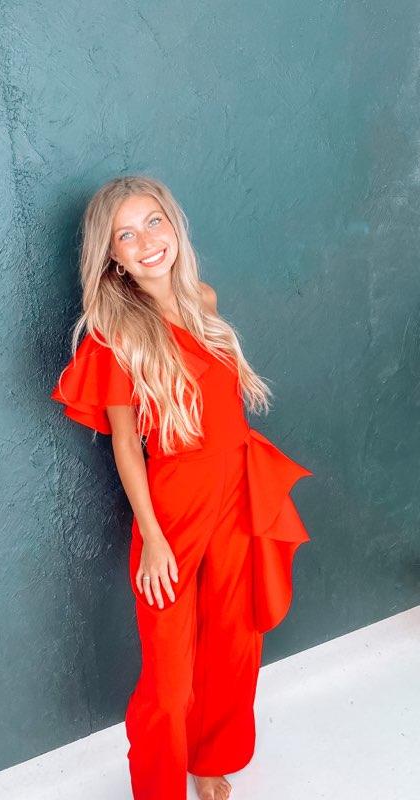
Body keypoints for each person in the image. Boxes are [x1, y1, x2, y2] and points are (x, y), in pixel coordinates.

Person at [50, 175, 314, 800]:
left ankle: (208, 758)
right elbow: (124, 445)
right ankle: (160, 788)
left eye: (154, 222)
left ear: (174, 226)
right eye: (126, 233)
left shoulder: (205, 300)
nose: (146, 241)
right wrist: (154, 537)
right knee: (169, 680)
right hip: (173, 510)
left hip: (237, 490)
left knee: (232, 643)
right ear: (111, 254)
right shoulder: (113, 336)